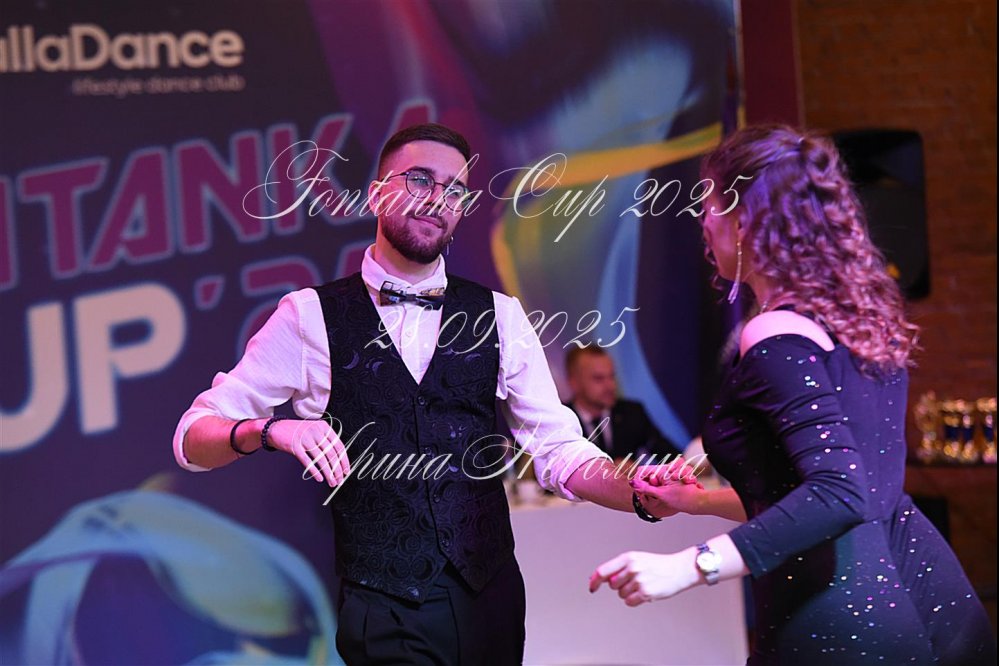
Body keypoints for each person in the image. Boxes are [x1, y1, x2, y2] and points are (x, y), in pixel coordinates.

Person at [174, 123, 682, 665]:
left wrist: (632, 490)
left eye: (455, 189)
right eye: (419, 180)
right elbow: (192, 439)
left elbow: (558, 448)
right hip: (384, 605)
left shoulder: (501, 316)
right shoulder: (308, 317)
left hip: (490, 599)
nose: (437, 199)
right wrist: (272, 429)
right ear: (376, 195)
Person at [589, 124, 996, 665]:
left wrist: (689, 566)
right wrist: (698, 502)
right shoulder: (854, 324)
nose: (703, 222)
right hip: (921, 595)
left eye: (708, 205)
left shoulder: (775, 333)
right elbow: (818, 492)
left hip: (838, 613)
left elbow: (839, 493)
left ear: (744, 219)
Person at [564, 346, 682, 461]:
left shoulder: (632, 413)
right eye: (598, 378)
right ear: (574, 382)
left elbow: (672, 458)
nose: (611, 385)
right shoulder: (561, 422)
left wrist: (637, 469)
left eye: (612, 376)